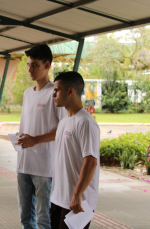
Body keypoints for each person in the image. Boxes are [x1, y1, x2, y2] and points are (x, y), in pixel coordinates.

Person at [15, 44, 67, 229]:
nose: (30, 69)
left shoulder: (55, 93)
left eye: (35, 65)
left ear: (47, 65)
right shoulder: (28, 93)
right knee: (25, 218)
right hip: (23, 163)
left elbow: (63, 129)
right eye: (28, 64)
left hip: (45, 167)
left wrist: (36, 140)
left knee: (43, 219)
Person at [51, 71, 100, 229]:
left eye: (57, 90)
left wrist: (77, 194)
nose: (53, 94)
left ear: (70, 91)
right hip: (58, 199)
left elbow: (91, 162)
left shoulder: (85, 123)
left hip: (77, 203)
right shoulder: (64, 121)